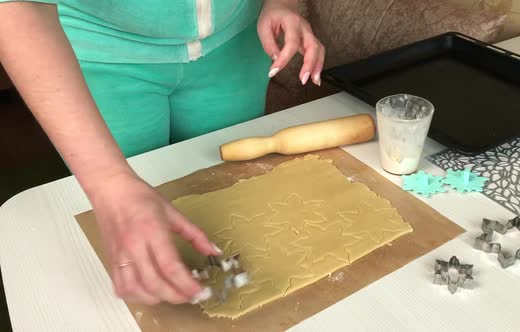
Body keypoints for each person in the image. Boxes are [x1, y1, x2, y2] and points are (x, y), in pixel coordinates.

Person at [0, 0, 324, 305]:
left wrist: (283, 2)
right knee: (132, 224)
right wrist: (108, 182)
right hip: (99, 56)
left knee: (234, 203)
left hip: (238, 45)